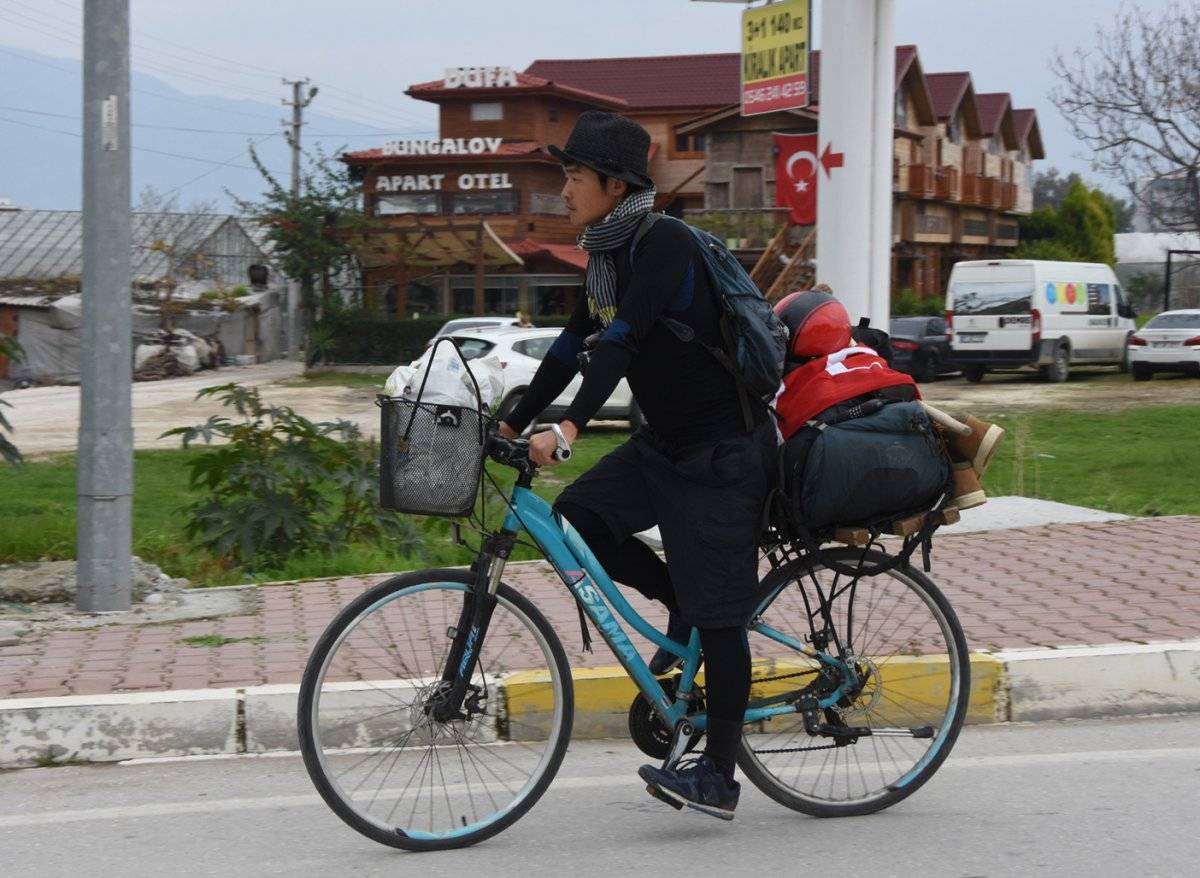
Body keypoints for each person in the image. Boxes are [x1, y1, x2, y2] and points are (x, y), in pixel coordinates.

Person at [498, 110, 776, 821]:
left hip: (723, 451)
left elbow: (621, 341)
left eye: (572, 176)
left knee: (721, 620)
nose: (562, 190)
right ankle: (678, 601)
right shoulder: (605, 257)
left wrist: (568, 427)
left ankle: (719, 775)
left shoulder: (665, 244)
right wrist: (514, 418)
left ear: (613, 184)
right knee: (578, 518)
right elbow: (569, 348)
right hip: (665, 446)